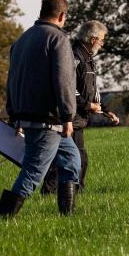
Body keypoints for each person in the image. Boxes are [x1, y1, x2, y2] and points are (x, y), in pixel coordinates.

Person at [0, 0, 81, 218]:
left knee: (72, 160)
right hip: (49, 119)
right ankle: (3, 219)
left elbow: (11, 79)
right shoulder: (58, 39)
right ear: (62, 15)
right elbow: (64, 80)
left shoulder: (22, 40)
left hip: (27, 115)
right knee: (33, 172)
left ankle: (67, 217)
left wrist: (14, 115)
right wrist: (67, 116)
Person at [41, 20, 119, 195]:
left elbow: (93, 89)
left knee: (71, 157)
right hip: (68, 117)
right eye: (101, 39)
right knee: (73, 158)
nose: (102, 43)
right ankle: (62, 192)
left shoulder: (89, 59)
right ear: (92, 38)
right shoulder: (74, 57)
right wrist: (87, 105)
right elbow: (67, 87)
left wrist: (106, 110)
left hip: (78, 118)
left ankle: (63, 191)